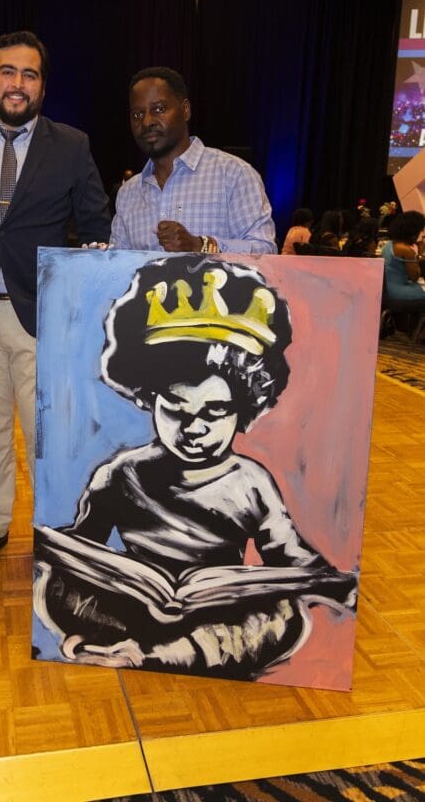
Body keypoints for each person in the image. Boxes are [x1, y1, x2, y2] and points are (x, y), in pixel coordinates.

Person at [34, 255, 356, 678]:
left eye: (215, 411)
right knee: (62, 587)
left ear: (243, 412)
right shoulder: (120, 473)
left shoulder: (250, 483)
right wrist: (57, 552)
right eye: (176, 409)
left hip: (215, 614)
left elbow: (290, 556)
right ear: (150, 401)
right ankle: (135, 645)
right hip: (133, 605)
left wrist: (333, 583)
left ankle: (147, 655)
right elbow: (84, 546)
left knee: (278, 616)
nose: (194, 428)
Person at [0, 31, 111, 576]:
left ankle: (57, 535)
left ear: (43, 86)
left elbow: (94, 224)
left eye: (30, 74)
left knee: (46, 436)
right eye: (8, 72)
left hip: (45, 319)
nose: (18, 84)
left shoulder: (72, 145)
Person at [111, 67, 276, 255]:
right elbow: (120, 270)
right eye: (137, 115)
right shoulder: (128, 193)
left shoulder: (234, 174)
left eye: (159, 109)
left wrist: (200, 245)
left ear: (185, 110)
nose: (147, 122)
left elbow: (266, 253)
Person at [381, 210, 425, 303]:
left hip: (385, 290)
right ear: (413, 230)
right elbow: (414, 277)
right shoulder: (406, 249)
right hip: (399, 292)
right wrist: (420, 253)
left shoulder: (388, 244)